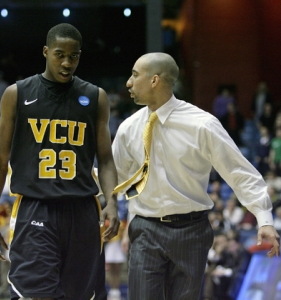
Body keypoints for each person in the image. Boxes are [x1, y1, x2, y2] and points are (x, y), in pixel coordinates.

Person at [111, 52, 280, 300]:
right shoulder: (128, 128)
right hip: (145, 228)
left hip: (191, 230)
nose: (128, 82)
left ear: (155, 80)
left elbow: (239, 172)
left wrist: (264, 218)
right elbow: (114, 178)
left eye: (135, 75)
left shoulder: (202, 124)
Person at [0, 23, 120, 300]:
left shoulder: (95, 97)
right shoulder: (17, 94)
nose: (67, 63)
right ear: (46, 52)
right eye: (60, 54)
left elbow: (105, 159)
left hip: (82, 211)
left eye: (74, 56)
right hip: (36, 208)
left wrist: (112, 202)